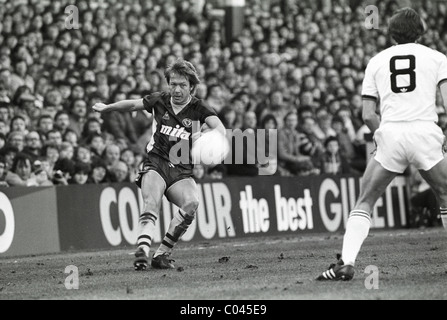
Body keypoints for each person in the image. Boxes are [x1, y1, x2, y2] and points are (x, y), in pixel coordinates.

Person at [317, 8, 447, 281]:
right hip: (425, 131)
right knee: (445, 194)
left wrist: (380, 137)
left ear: (391, 33)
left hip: (391, 133)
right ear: (421, 31)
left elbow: (367, 114)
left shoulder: (376, 61)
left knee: (365, 200)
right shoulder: (438, 58)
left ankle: (347, 262)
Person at [92, 59, 225, 271]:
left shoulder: (199, 108)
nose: (177, 89)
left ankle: (161, 254)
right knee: (151, 203)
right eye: (173, 84)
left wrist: (205, 135)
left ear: (192, 86)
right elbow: (133, 104)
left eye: (182, 84)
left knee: (191, 204)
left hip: (181, 170)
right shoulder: (159, 100)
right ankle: (142, 250)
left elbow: (221, 129)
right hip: (156, 162)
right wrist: (108, 108)